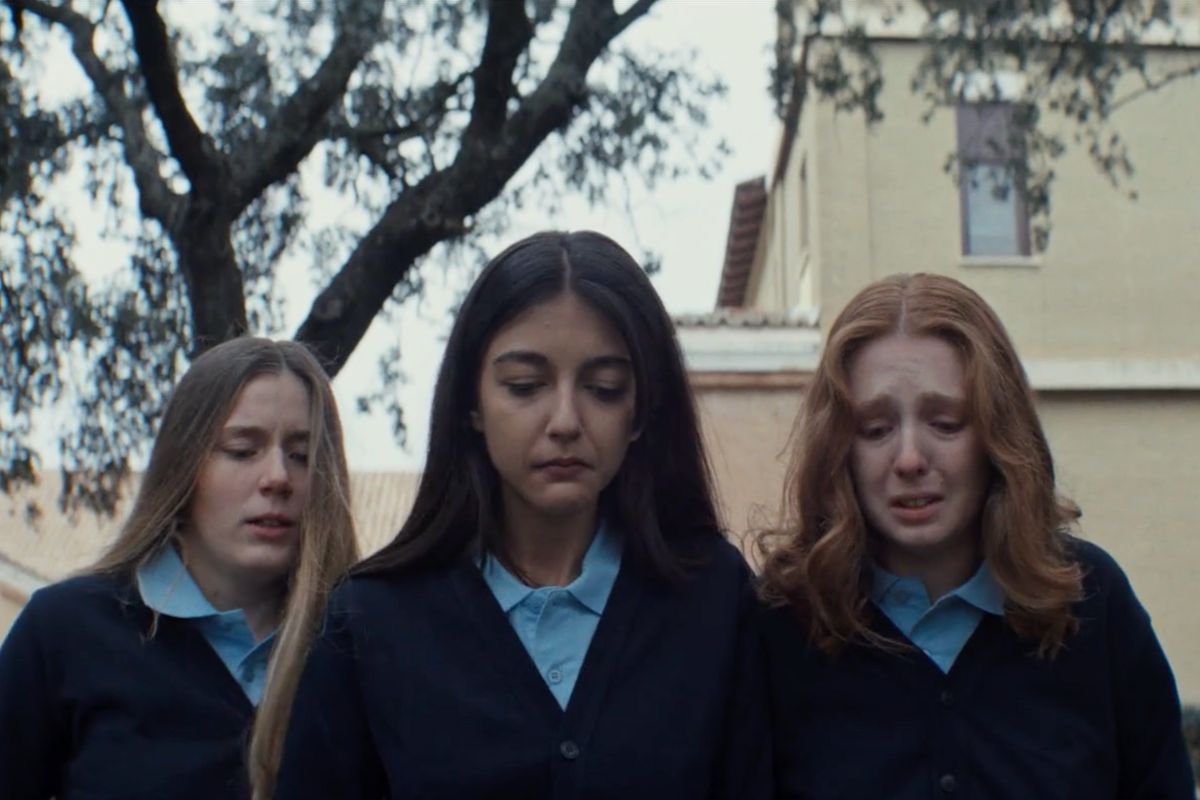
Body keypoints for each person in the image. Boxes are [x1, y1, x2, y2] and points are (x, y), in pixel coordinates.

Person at [273, 231, 770, 799]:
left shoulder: (714, 599)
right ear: (472, 404)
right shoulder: (371, 620)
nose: (565, 421)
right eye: (525, 386)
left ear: (640, 413)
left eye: (604, 389)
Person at [758, 273, 1195, 798]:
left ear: (998, 433)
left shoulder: (1091, 601)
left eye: (945, 424)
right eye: (875, 429)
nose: (910, 459)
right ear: (838, 448)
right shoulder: (780, 623)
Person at [0, 337, 359, 800]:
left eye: (302, 455)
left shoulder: (362, 648)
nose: (277, 478)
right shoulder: (66, 630)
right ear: (183, 466)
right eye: (242, 450)